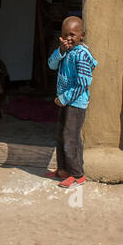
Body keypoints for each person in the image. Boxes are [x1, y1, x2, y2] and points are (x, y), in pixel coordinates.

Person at [47, 15, 97, 188]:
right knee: (61, 135)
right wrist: (60, 50)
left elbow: (83, 82)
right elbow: (51, 65)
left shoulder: (82, 55)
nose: (68, 38)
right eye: (65, 35)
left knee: (71, 138)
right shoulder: (65, 51)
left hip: (75, 104)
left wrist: (64, 98)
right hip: (66, 102)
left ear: (81, 35)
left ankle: (77, 174)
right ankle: (63, 170)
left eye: (72, 35)